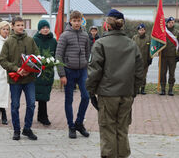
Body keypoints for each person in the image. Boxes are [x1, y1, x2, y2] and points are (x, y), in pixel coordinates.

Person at [86, 9, 144, 158]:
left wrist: (91, 92)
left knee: (108, 130)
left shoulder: (100, 44)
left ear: (107, 25)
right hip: (126, 94)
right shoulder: (132, 44)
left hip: (107, 95)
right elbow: (139, 72)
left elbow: (94, 72)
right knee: (122, 129)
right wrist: (133, 90)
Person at [0, 16, 39, 141]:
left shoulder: (30, 40)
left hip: (29, 79)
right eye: (18, 25)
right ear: (13, 26)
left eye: (22, 25)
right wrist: (17, 69)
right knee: (15, 105)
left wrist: (29, 69)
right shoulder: (8, 42)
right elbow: (2, 60)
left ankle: (27, 128)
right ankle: (16, 130)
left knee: (31, 104)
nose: (21, 27)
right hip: (15, 80)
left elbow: (37, 56)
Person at [55, 10, 90, 139]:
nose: (76, 23)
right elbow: (58, 56)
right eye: (74, 21)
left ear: (82, 21)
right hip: (68, 71)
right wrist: (61, 74)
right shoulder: (65, 35)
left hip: (82, 71)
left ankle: (79, 123)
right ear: (70, 21)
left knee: (86, 96)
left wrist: (86, 65)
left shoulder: (85, 35)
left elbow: (87, 52)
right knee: (68, 99)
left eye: (78, 20)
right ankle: (71, 127)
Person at [33, 20, 57, 126]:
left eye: (47, 27)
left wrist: (52, 62)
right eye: (43, 28)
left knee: (45, 93)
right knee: (37, 93)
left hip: (48, 70)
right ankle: (42, 116)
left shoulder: (53, 41)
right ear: (39, 29)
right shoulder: (34, 40)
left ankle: (42, 115)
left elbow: (56, 53)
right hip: (37, 70)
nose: (45, 29)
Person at [160, 17, 179, 96]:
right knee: (162, 73)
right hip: (163, 56)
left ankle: (170, 89)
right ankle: (163, 89)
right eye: (170, 22)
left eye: (173, 22)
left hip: (173, 57)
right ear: (167, 23)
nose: (171, 23)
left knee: (172, 74)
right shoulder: (163, 31)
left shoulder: (177, 32)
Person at [132, 23, 152, 95]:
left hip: (145, 60)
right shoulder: (134, 38)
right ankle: (136, 89)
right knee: (136, 75)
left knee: (143, 76)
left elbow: (150, 49)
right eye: (140, 30)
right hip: (136, 61)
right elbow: (132, 49)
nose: (141, 31)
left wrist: (150, 58)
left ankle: (143, 88)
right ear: (138, 31)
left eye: (142, 30)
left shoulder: (148, 38)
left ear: (145, 30)